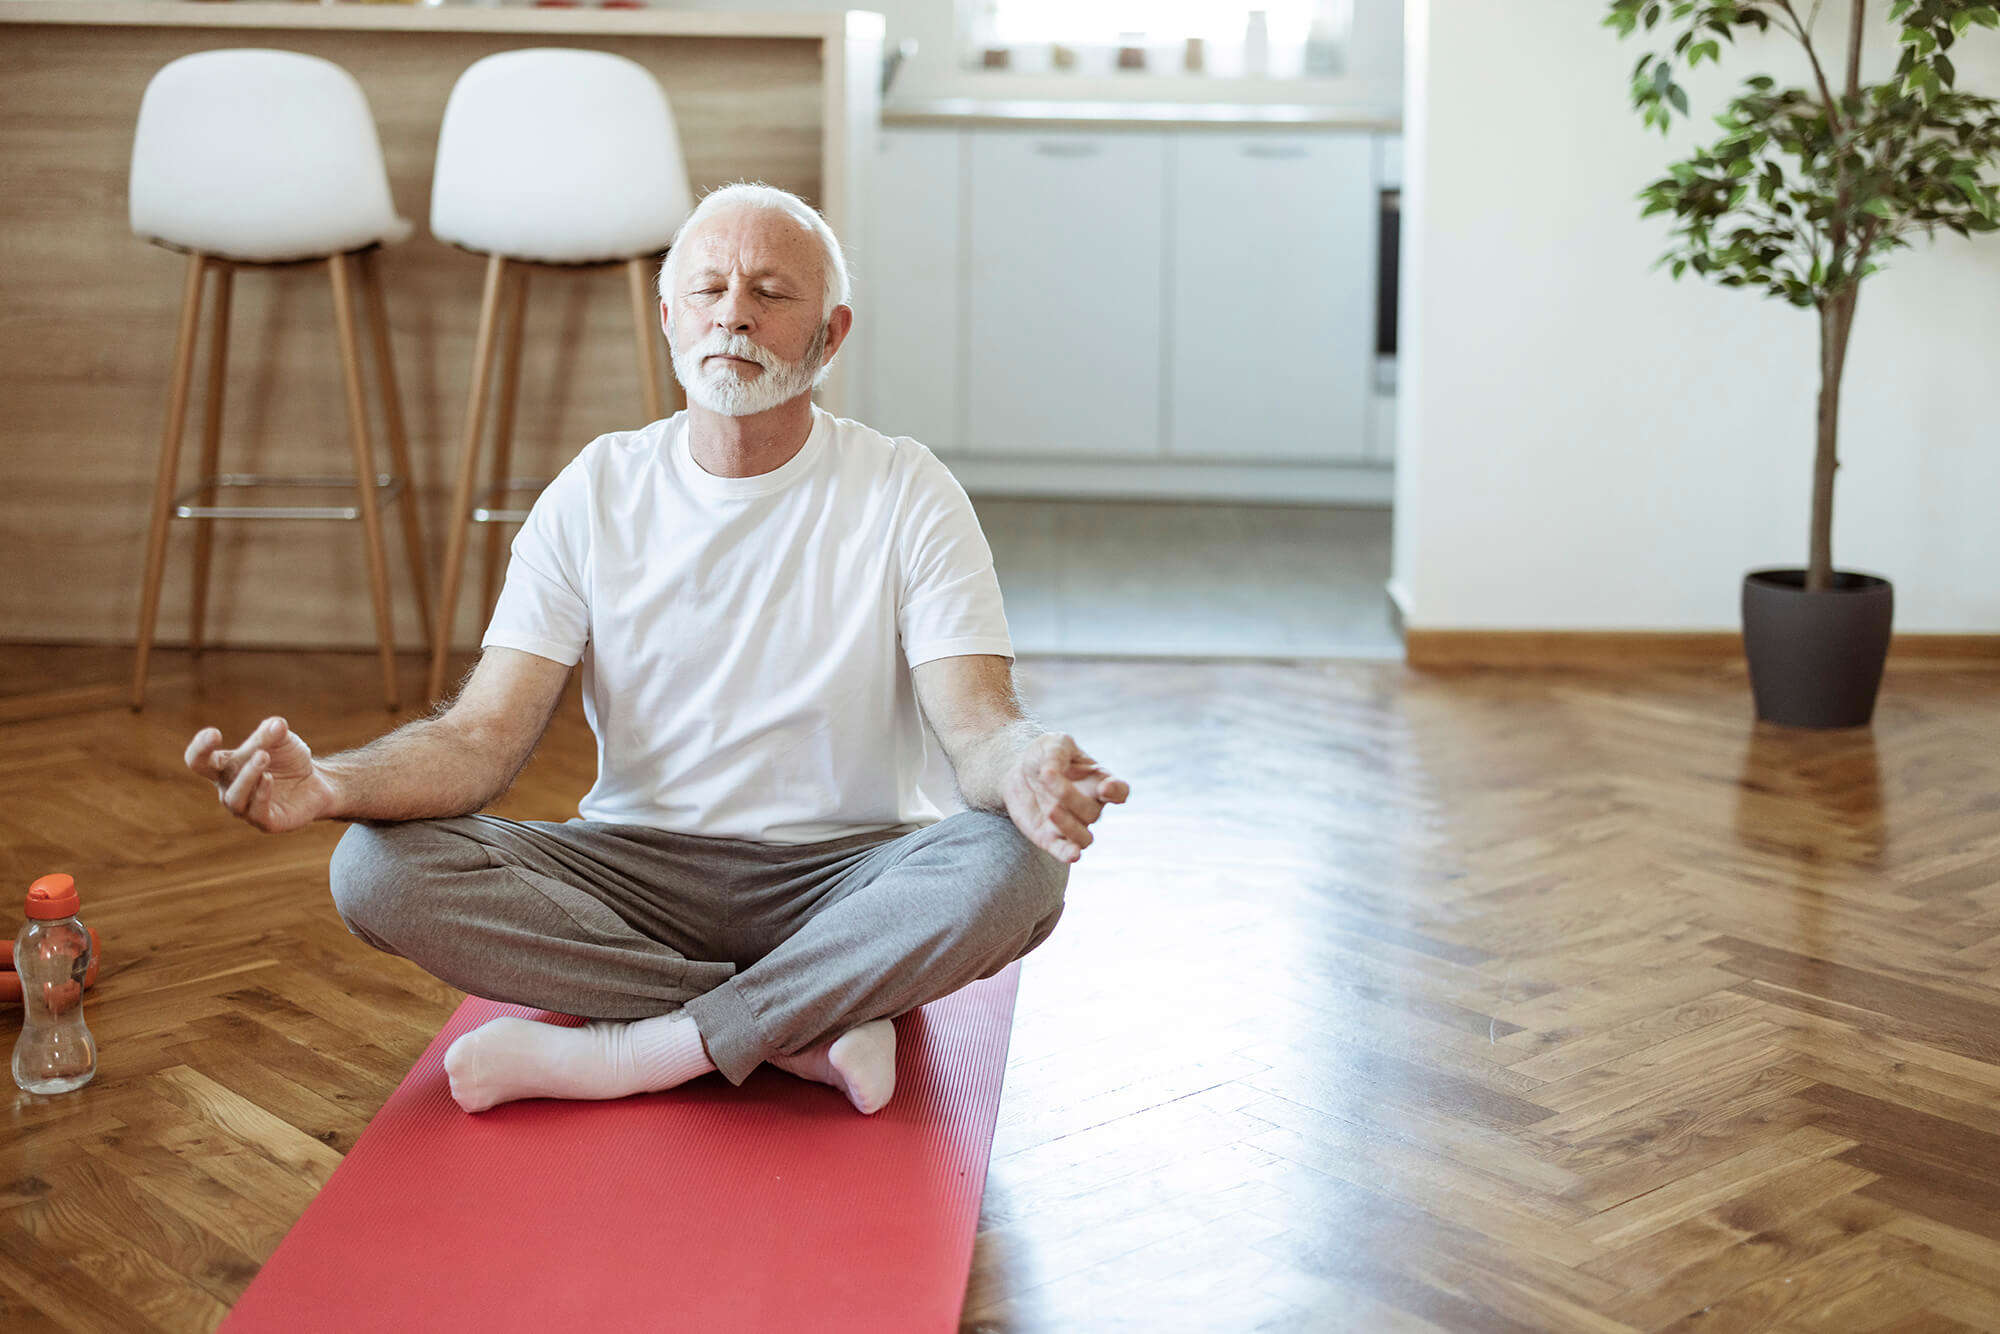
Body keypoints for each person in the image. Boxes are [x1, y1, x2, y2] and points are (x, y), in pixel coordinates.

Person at [183, 183, 1129, 1117]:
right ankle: (796, 1026)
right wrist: (332, 785)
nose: (735, 317)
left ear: (830, 336)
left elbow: (979, 730)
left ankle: (645, 1049)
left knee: (1020, 864)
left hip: (847, 878)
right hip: (632, 877)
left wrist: (1026, 768)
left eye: (771, 293)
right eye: (710, 290)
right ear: (669, 317)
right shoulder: (594, 490)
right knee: (372, 870)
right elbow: (478, 742)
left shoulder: (906, 489)